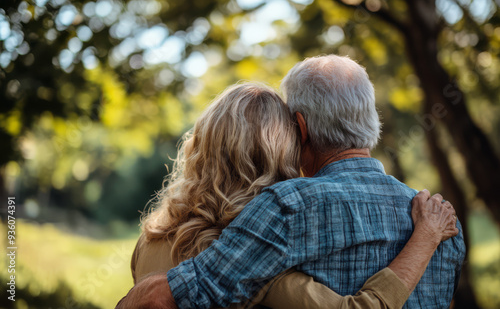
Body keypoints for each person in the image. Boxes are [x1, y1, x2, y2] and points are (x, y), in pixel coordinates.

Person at [117, 55, 466, 308]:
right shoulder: (445, 227)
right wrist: (423, 239)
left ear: (300, 128)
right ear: (370, 117)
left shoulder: (288, 208)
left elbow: (179, 292)